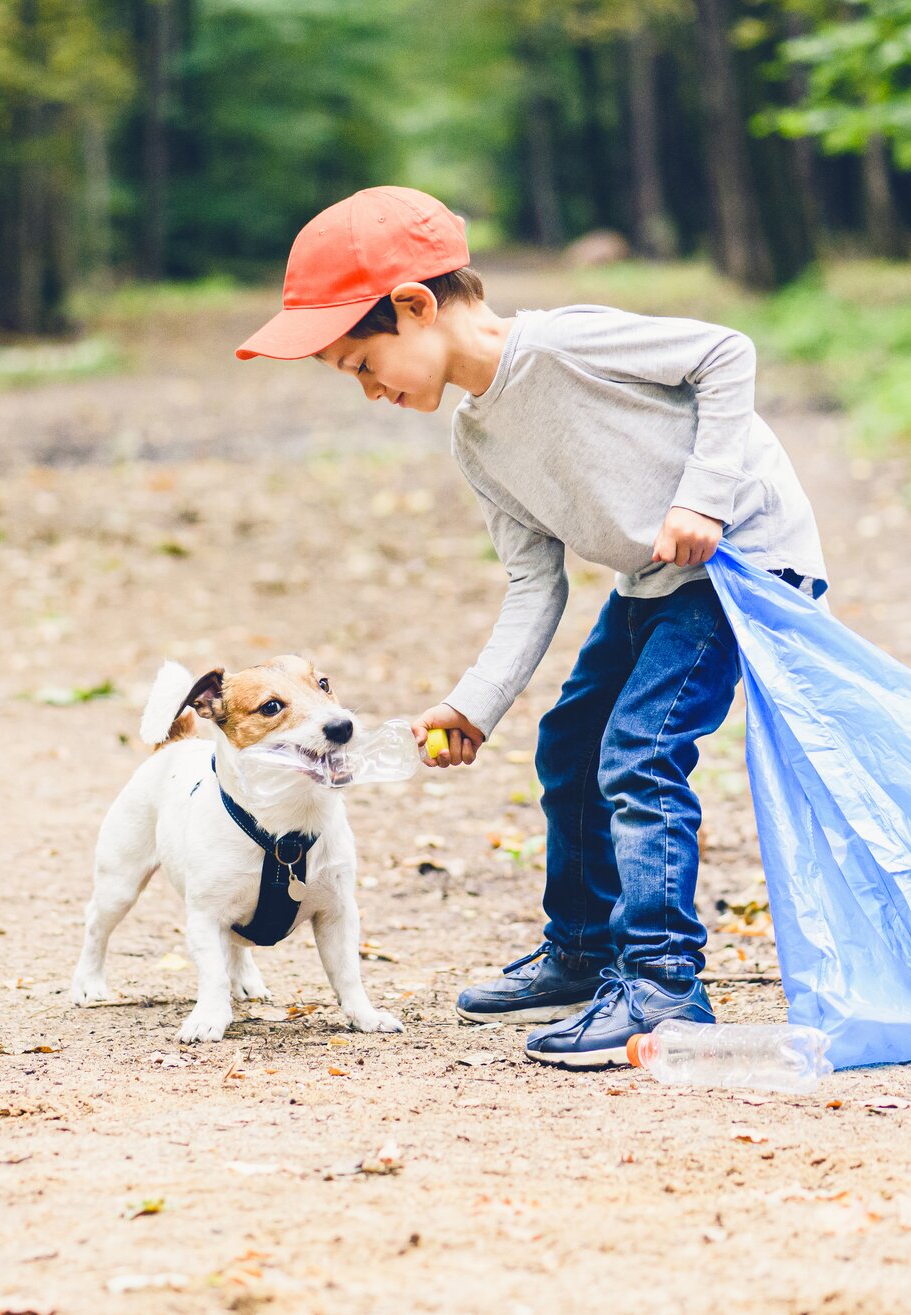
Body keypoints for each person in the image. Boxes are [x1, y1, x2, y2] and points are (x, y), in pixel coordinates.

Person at [234, 186, 827, 1068]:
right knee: (570, 739)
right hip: (657, 578)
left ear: (415, 306)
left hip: (744, 562)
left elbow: (725, 353)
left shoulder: (562, 345)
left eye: (363, 364)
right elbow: (531, 585)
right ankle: (586, 949)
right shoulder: (477, 440)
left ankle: (663, 981)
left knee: (638, 748)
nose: (369, 391)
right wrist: (472, 706)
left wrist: (704, 494)